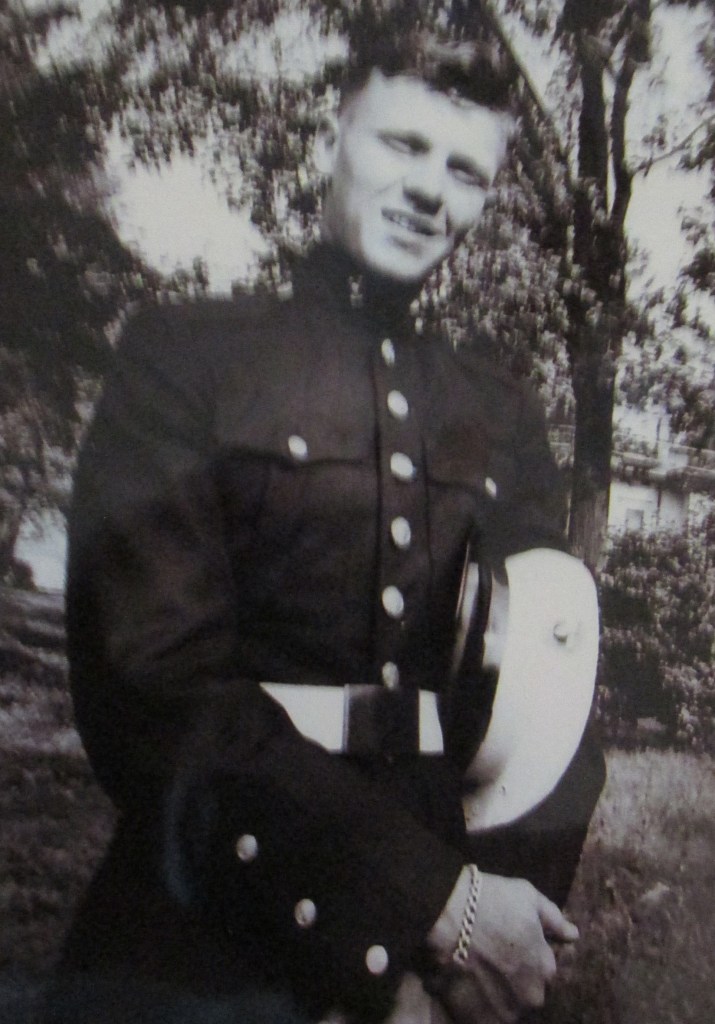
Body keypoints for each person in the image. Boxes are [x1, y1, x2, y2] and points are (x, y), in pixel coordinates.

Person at [48, 22, 605, 1024]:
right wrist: (420, 908)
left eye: (466, 170)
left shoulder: (501, 409)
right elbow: (151, 692)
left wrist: (487, 941)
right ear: (333, 138)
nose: (431, 188)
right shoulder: (185, 358)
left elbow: (558, 705)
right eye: (402, 145)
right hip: (209, 922)